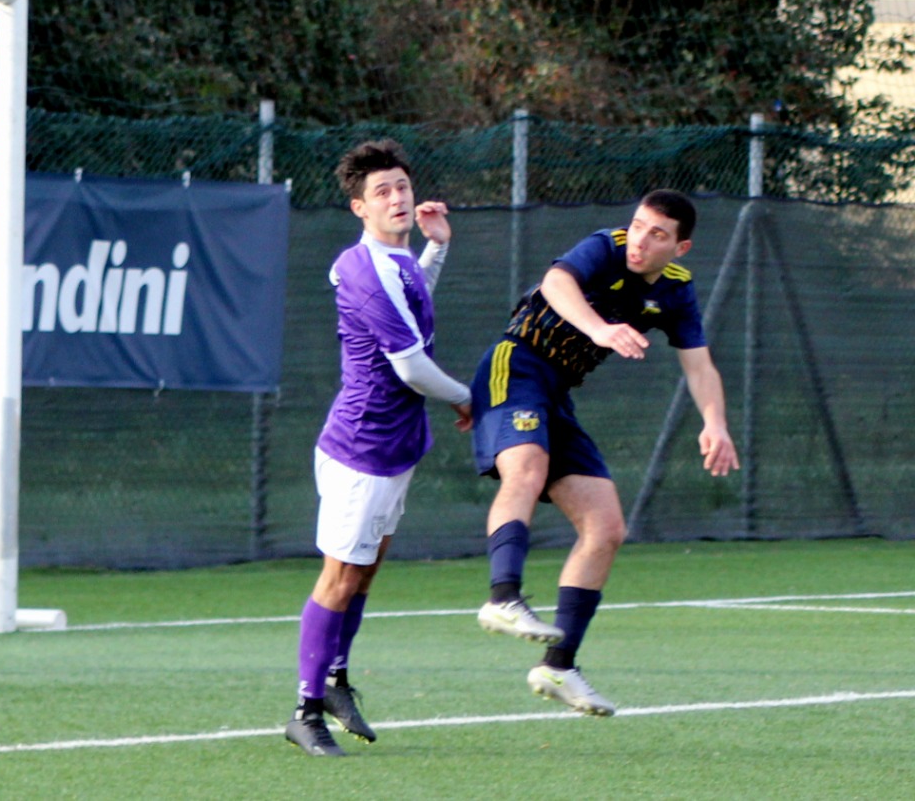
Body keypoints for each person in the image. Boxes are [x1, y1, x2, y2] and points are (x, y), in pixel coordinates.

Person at [468, 189, 739, 715]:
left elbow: (700, 364)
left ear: (680, 247)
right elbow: (556, 282)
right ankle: (503, 597)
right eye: (637, 225)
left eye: (657, 234)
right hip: (516, 365)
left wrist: (715, 423)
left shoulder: (677, 290)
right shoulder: (606, 246)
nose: (640, 240)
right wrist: (600, 329)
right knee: (527, 467)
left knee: (606, 527)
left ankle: (559, 666)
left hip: (556, 395)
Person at [285, 140, 473, 757]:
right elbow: (411, 366)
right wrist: (468, 398)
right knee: (339, 578)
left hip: (395, 444)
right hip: (361, 446)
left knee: (364, 573)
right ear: (359, 208)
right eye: (382, 192)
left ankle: (336, 681)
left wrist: (437, 248)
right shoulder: (364, 268)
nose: (397, 198)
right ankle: (305, 710)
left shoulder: (399, 262)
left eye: (402, 187)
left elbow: (414, 301)